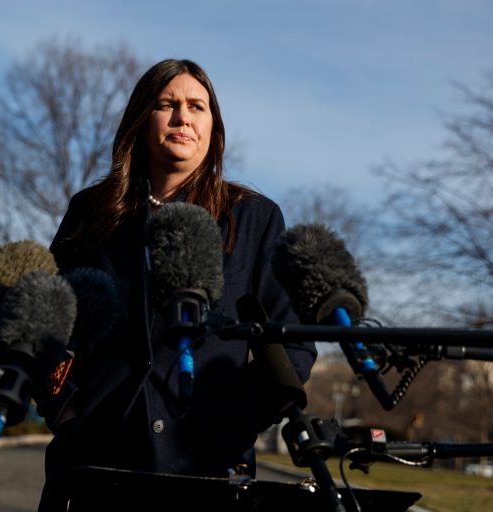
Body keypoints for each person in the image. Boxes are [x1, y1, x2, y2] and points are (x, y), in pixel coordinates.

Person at [36, 58, 317, 511]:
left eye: (197, 106)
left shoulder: (254, 219)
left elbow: (291, 347)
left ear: (213, 128)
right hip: (94, 462)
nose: (183, 117)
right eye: (167, 104)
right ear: (141, 120)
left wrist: (232, 424)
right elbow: (43, 325)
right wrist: (65, 411)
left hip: (209, 469)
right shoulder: (91, 213)